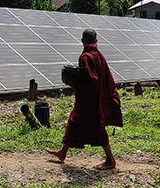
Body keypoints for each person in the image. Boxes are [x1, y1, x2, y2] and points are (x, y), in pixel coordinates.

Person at [46, 28, 123, 170]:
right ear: (96, 41)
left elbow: (92, 79)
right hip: (95, 97)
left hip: (90, 100)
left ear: (82, 41)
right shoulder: (98, 54)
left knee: (98, 128)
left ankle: (110, 160)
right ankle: (63, 153)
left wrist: (73, 84)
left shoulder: (86, 57)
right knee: (74, 123)